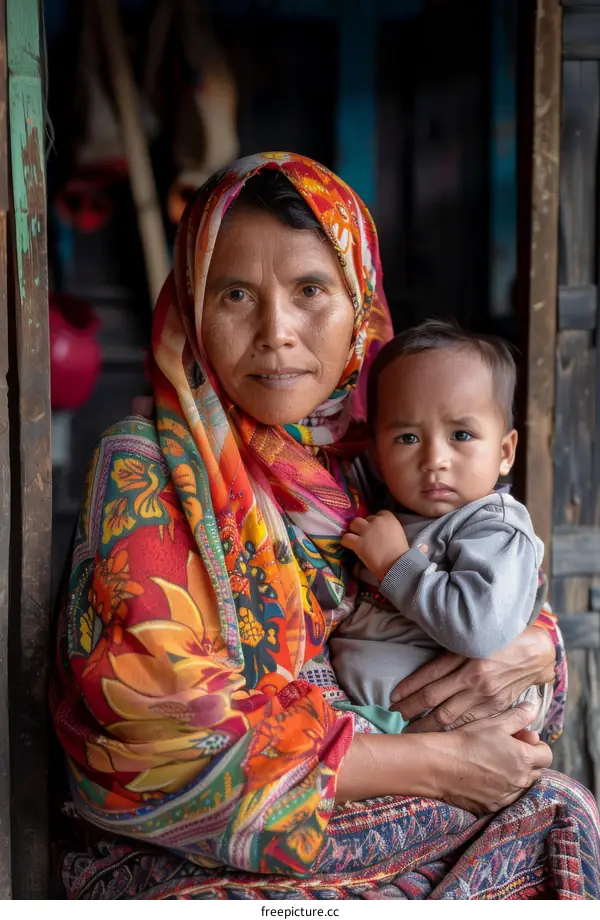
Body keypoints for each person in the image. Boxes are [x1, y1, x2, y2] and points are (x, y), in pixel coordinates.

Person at [51, 153, 600, 900]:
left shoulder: (383, 460)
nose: (276, 332)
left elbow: (508, 609)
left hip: (399, 814)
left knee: (560, 812)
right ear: (191, 305)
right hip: (213, 852)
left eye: (311, 290)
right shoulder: (148, 468)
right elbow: (160, 735)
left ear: (360, 306)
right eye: (235, 294)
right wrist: (439, 764)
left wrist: (534, 647)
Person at [330, 321, 552, 732]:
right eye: (407, 438)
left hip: (448, 728)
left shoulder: (495, 529)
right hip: (374, 724)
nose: (434, 459)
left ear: (505, 452)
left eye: (461, 434)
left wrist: (395, 563)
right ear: (376, 455)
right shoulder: (391, 505)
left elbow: (481, 629)